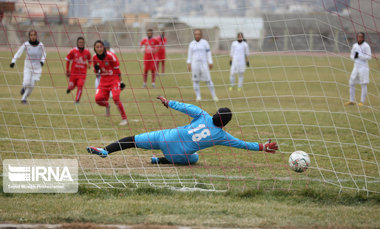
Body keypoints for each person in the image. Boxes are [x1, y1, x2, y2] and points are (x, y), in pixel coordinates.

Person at [87, 96, 278, 165]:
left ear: (214, 115)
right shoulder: (221, 135)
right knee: (194, 158)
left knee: (133, 140)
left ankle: (106, 150)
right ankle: (160, 160)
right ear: (225, 124)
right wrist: (263, 147)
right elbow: (242, 145)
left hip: (165, 136)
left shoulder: (202, 115)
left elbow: (184, 106)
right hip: (176, 154)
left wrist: (168, 102)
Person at [92, 40, 128, 126]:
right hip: (103, 81)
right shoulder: (94, 58)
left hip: (114, 80)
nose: (99, 48)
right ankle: (107, 105)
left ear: (103, 47)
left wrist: (121, 82)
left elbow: (117, 70)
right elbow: (96, 73)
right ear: (94, 48)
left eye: (101, 47)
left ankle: (124, 119)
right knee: (98, 100)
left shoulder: (111, 56)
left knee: (115, 98)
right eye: (97, 47)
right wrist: (96, 69)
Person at [10, 30, 46, 104]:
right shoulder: (26, 44)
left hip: (37, 68)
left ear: (36, 36)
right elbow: (18, 52)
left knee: (32, 85)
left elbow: (44, 54)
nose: (33, 36)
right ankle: (24, 87)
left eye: (34, 35)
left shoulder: (41, 45)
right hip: (28, 67)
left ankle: (24, 98)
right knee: (26, 83)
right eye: (31, 35)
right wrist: (13, 61)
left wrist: (42, 61)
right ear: (29, 36)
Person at [187, 29, 218, 102]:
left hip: (204, 64)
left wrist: (210, 62)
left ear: (201, 35)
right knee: (195, 81)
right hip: (195, 64)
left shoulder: (205, 43)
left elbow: (208, 53)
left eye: (198, 34)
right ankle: (198, 97)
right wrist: (189, 64)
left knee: (208, 80)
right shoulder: (191, 44)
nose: (197, 35)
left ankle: (214, 96)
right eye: (196, 34)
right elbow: (189, 55)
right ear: (194, 35)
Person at [345, 32, 372, 107]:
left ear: (363, 38)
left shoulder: (366, 46)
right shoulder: (355, 45)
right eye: (358, 36)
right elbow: (351, 55)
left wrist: (359, 56)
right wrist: (354, 57)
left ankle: (362, 101)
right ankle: (352, 100)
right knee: (351, 82)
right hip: (356, 66)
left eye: (361, 37)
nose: (359, 38)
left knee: (363, 84)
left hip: (364, 67)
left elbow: (369, 57)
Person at [65, 37, 92, 103]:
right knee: (72, 86)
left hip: (82, 73)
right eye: (80, 42)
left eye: (82, 42)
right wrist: (67, 70)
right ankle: (70, 88)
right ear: (77, 43)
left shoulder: (87, 52)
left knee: (80, 85)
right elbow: (68, 60)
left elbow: (90, 60)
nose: (81, 44)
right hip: (73, 73)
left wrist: (89, 65)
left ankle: (77, 100)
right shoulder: (73, 51)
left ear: (84, 43)